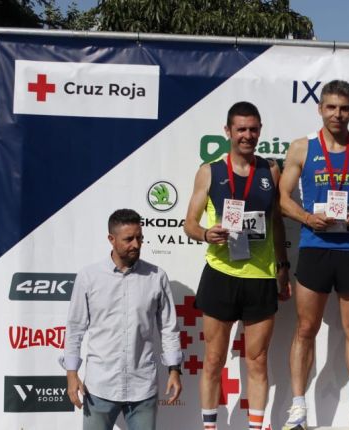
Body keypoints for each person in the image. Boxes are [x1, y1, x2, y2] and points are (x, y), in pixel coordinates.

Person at [279, 79, 349, 430]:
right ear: (320, 109)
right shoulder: (301, 148)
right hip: (315, 247)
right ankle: (297, 408)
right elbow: (282, 198)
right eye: (331, 107)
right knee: (305, 328)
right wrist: (307, 217)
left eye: (344, 108)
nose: (337, 114)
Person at [184, 101, 292, 430]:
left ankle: (255, 427)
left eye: (253, 129)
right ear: (228, 131)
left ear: (260, 131)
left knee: (257, 360)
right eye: (241, 129)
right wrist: (205, 233)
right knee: (214, 359)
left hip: (260, 277)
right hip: (221, 274)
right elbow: (189, 222)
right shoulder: (210, 171)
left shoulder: (270, 170)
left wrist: (283, 265)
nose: (247, 135)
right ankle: (210, 427)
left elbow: (275, 222)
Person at [62, 208, 183, 430]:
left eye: (139, 238)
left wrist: (174, 369)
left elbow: (169, 328)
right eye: (128, 239)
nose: (136, 244)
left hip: (143, 387)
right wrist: (71, 374)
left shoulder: (157, 277)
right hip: (99, 387)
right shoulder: (89, 277)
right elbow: (75, 329)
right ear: (111, 239)